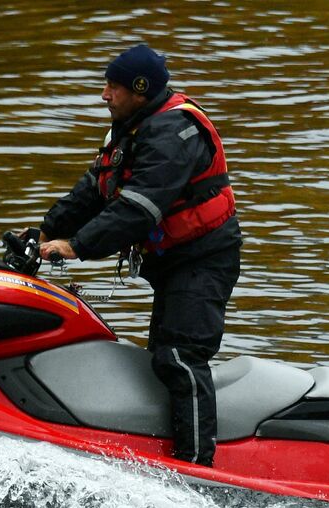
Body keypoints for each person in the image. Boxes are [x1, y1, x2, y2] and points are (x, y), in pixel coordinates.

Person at [38, 44, 241, 466]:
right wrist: (43, 231)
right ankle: (165, 451)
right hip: (172, 262)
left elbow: (138, 208)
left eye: (112, 87)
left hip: (204, 260)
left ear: (140, 90)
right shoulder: (129, 128)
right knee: (161, 357)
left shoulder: (175, 135)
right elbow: (92, 190)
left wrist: (75, 247)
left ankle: (198, 468)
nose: (104, 95)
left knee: (181, 357)